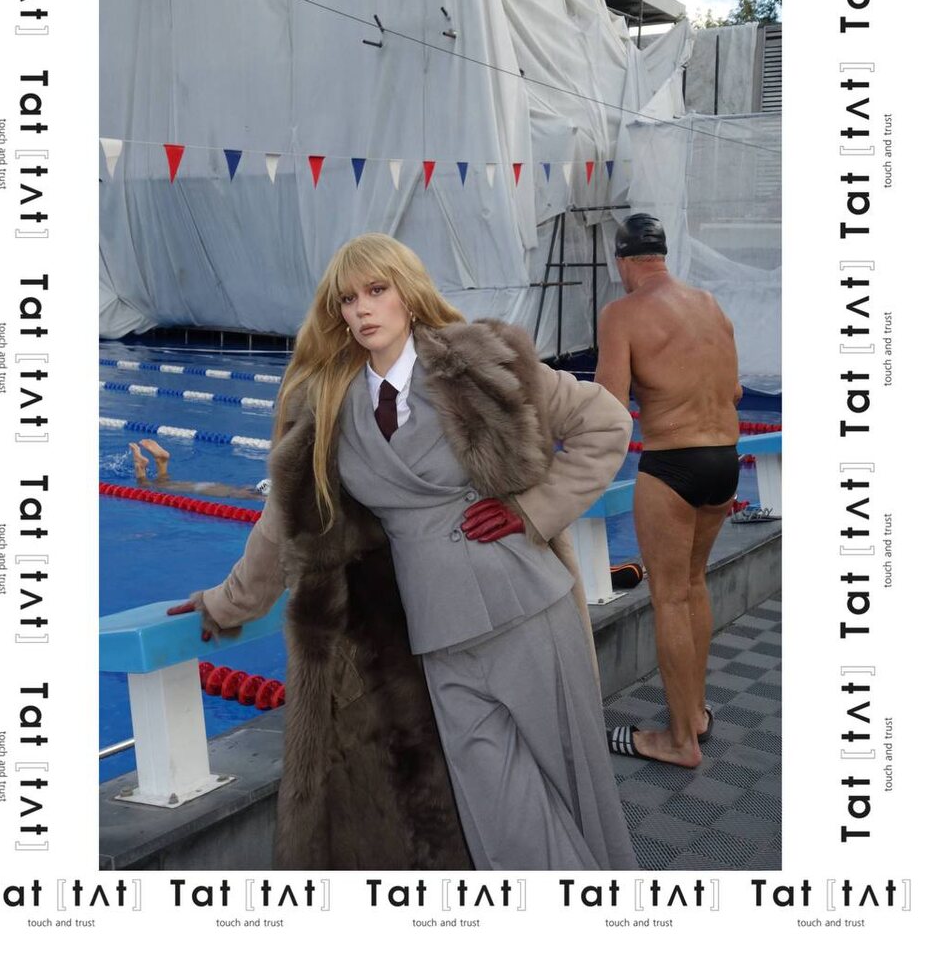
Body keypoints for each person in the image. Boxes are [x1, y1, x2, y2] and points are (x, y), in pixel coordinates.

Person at [175, 233, 636, 871]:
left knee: (575, 790)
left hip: (529, 611)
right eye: (348, 299)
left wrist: (533, 511)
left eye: (376, 290)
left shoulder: (479, 362)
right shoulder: (329, 406)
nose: (363, 308)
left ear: (408, 294)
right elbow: (283, 523)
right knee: (500, 817)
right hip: (438, 634)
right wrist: (226, 603)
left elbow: (607, 423)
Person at [594, 213, 741, 769]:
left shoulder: (621, 313)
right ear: (662, 254)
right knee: (694, 585)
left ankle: (680, 741)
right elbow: (733, 389)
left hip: (673, 466)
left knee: (670, 599)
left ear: (623, 262)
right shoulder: (710, 305)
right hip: (724, 461)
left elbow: (609, 406)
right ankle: (695, 713)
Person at [128, 439, 270, 498]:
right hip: (216, 490)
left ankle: (159, 463)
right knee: (151, 488)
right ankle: (143, 467)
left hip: (213, 487)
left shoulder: (256, 490)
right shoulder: (258, 496)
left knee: (160, 486)